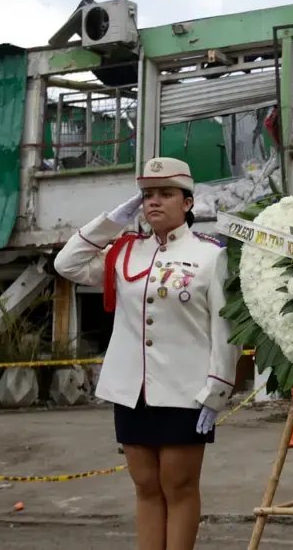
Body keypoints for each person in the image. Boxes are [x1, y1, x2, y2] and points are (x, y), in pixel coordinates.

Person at [53, 157, 239, 550]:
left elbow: (225, 328)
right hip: (131, 390)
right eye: (147, 195)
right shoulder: (124, 253)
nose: (154, 201)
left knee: (179, 486)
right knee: (146, 487)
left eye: (166, 194)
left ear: (187, 202)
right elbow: (66, 263)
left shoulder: (211, 255)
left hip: (186, 391)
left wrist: (218, 389)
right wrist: (111, 221)